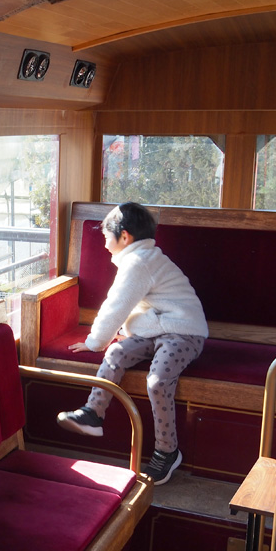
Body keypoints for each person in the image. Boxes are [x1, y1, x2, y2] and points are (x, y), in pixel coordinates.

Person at [57, 202, 207, 485]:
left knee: (157, 381)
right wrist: (110, 342)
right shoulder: (137, 259)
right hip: (156, 328)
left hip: (184, 332)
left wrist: (95, 342)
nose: (103, 244)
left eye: (106, 237)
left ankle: (167, 451)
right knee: (116, 352)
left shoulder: (140, 262)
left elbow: (117, 305)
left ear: (124, 237)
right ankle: (93, 413)